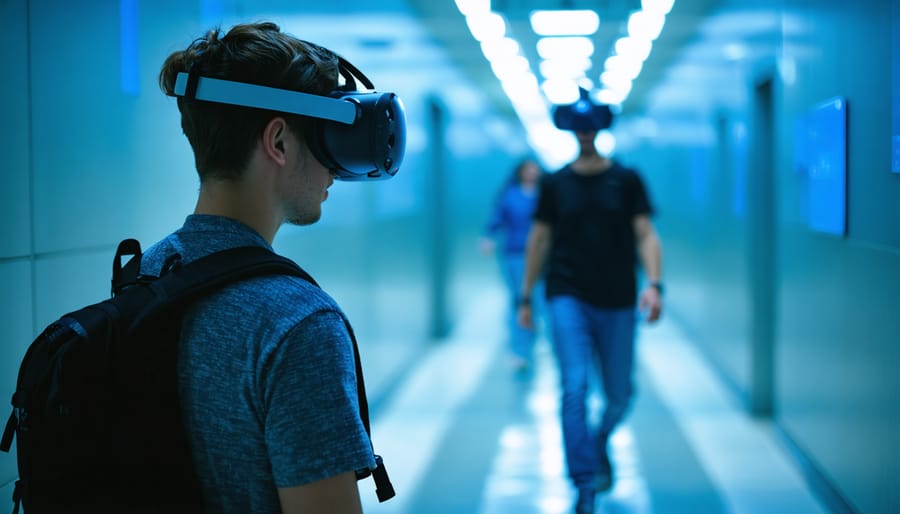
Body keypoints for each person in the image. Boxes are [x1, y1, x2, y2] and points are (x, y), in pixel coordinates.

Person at [146, 21, 404, 513]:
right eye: (325, 141)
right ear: (279, 142)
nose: (335, 169)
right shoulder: (298, 324)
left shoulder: (144, 274)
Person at [517, 90, 663, 514]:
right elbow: (539, 239)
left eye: (590, 127)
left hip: (618, 298)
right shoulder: (555, 183)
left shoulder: (627, 179)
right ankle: (583, 483)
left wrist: (654, 283)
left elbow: (645, 234)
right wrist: (525, 297)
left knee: (619, 395)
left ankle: (598, 443)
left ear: (600, 129)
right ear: (570, 131)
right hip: (567, 295)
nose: (584, 134)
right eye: (577, 128)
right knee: (575, 388)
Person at [479, 158, 544, 371]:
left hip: (541, 257)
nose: (531, 174)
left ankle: (530, 338)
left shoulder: (545, 194)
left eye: (534, 170)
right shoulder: (511, 195)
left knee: (537, 301)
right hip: (515, 255)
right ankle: (519, 350)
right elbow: (497, 218)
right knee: (519, 300)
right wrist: (488, 237)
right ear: (520, 172)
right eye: (528, 170)